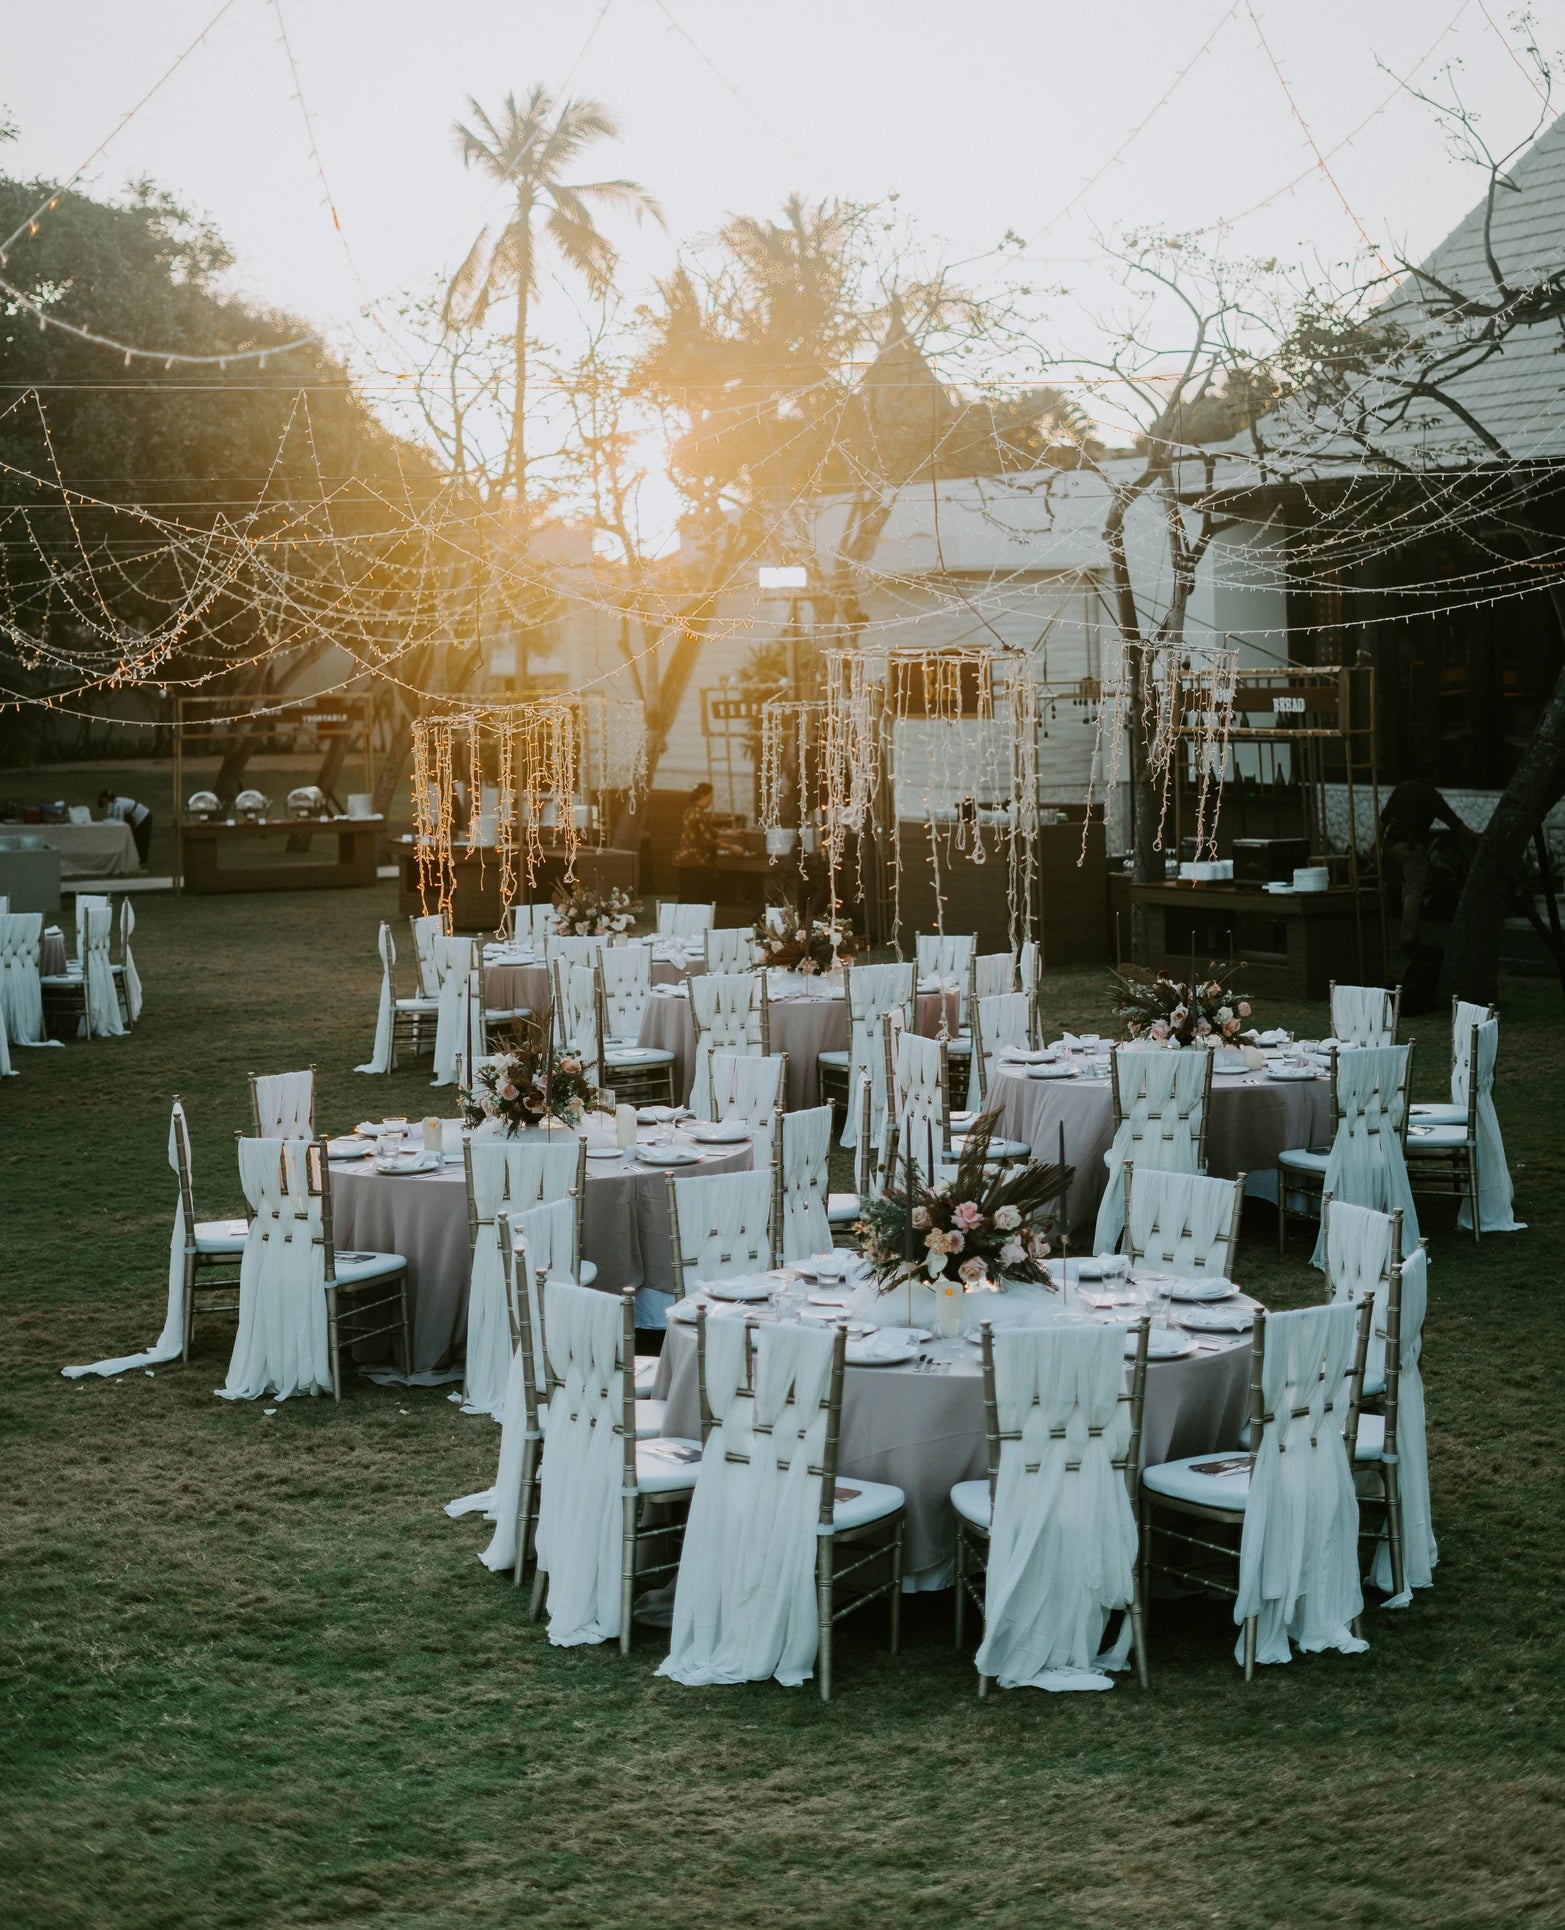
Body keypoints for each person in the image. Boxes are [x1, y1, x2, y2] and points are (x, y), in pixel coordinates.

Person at [1380, 770, 1479, 954]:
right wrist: (1475, 836)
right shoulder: (1431, 795)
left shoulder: (1403, 788)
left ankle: (1409, 933)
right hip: (1411, 846)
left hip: (1392, 845)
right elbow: (1454, 823)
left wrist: (1376, 842)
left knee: (1407, 888)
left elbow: (1385, 818)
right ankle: (1408, 938)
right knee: (1414, 891)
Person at [98, 790, 152, 867]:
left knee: (141, 840)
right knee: (135, 839)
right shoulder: (113, 804)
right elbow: (110, 816)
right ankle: (136, 859)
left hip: (144, 816)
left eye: (103, 800)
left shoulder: (118, 804)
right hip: (136, 817)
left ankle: (141, 861)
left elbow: (119, 821)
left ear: (106, 798)